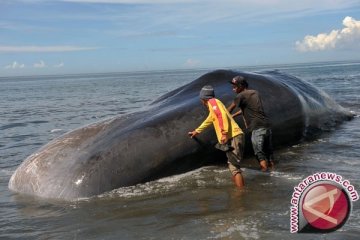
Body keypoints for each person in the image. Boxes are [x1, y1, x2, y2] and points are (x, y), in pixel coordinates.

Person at [188, 85, 245, 188]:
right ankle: (238, 189)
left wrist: (224, 133)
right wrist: (197, 131)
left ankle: (241, 194)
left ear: (203, 98)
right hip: (234, 136)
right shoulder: (213, 105)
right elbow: (209, 119)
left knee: (234, 167)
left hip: (233, 136)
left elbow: (221, 115)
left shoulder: (213, 102)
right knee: (232, 164)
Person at [228, 76, 274, 172]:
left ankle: (265, 175)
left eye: (235, 86)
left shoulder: (240, 96)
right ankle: (273, 172)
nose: (233, 89)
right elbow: (249, 109)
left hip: (257, 127)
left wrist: (223, 116)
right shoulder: (255, 92)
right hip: (266, 126)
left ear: (241, 86)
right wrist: (234, 116)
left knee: (259, 153)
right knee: (268, 153)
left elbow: (229, 109)